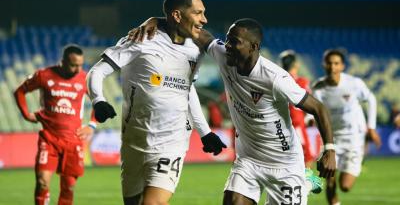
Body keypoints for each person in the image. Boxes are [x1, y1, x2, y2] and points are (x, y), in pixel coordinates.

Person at [131, 18, 336, 205]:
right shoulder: (224, 55)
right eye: (228, 40)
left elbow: (318, 108)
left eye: (235, 41)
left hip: (285, 165)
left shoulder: (274, 78)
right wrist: (157, 21)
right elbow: (197, 32)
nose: (227, 46)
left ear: (253, 47)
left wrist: (329, 149)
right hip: (249, 160)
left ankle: (305, 182)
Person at [86, 0, 226, 205]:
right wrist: (98, 100)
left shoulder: (197, 49)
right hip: (134, 139)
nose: (204, 19)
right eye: (198, 13)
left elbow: (187, 90)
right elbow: (97, 71)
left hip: (173, 141)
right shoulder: (142, 38)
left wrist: (205, 132)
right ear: (177, 15)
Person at [13, 44, 96, 205]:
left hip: (73, 140)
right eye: (73, 65)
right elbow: (20, 92)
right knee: (42, 182)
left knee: (68, 187)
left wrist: (91, 125)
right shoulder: (44, 75)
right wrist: (25, 114)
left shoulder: (84, 79)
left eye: (80, 65)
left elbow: (100, 102)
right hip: (49, 138)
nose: (77, 69)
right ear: (63, 61)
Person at [312, 49, 381, 205]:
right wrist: (309, 120)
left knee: (345, 186)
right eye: (329, 63)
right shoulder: (318, 88)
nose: (332, 67)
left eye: (336, 63)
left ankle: (359, 159)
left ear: (342, 66)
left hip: (354, 139)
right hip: (331, 139)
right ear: (324, 65)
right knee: (329, 182)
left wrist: (371, 127)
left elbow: (371, 100)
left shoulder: (354, 84)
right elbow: (315, 111)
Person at [280, 50, 315, 168]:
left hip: (279, 125)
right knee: (306, 156)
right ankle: (305, 183)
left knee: (283, 157)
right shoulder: (302, 81)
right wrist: (310, 117)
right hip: (297, 123)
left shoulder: (277, 80)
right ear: (296, 64)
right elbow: (309, 102)